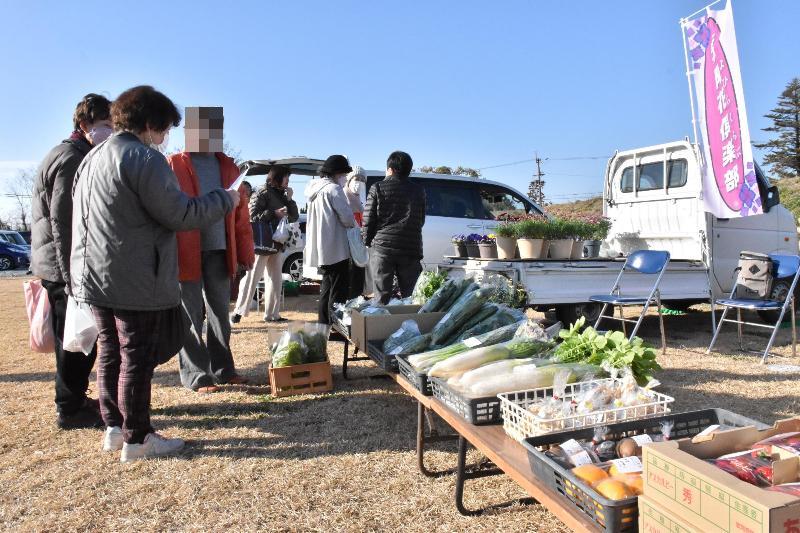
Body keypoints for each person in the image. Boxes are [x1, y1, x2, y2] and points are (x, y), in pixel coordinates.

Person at [70, 86, 239, 462]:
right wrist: (225, 200)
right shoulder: (145, 159)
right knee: (136, 357)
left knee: (111, 353)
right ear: (149, 124)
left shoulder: (94, 156)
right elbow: (180, 214)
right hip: (133, 276)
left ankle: (115, 428)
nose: (164, 138)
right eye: (163, 129)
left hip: (94, 274)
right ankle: (138, 437)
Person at [31, 93, 113, 430]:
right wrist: (71, 275)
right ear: (85, 124)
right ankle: (69, 408)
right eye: (106, 125)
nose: (110, 132)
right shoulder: (71, 158)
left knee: (79, 338)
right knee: (76, 341)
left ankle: (75, 398)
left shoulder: (73, 153)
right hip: (63, 265)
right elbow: (64, 221)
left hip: (60, 263)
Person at [167, 106, 254, 394]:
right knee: (189, 313)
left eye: (213, 130)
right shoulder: (173, 164)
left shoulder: (229, 167)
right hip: (184, 249)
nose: (207, 135)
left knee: (220, 312)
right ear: (189, 132)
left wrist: (245, 253)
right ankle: (196, 375)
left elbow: (241, 214)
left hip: (220, 247)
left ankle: (224, 369)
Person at [231, 166, 299, 323]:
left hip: (277, 242)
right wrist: (273, 213)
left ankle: (272, 315)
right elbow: (252, 216)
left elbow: (294, 216)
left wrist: (289, 199)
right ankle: (238, 312)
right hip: (262, 242)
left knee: (275, 280)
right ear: (277, 177)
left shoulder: (283, 195)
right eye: (286, 177)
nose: (288, 180)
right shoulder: (262, 191)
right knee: (252, 277)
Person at [363, 151, 426, 304]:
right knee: (411, 297)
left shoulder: (377, 187)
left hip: (383, 249)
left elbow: (368, 219)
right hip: (410, 248)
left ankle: (380, 326)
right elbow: (421, 220)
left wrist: (366, 240)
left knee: (381, 296)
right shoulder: (419, 191)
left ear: (390, 169)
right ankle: (409, 325)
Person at [304, 155, 356, 323]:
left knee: (326, 287)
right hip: (335, 246)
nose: (344, 177)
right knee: (338, 290)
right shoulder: (333, 189)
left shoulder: (313, 189)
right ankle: (335, 325)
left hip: (320, 247)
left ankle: (323, 322)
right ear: (338, 172)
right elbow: (348, 219)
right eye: (343, 173)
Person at [344, 166, 367, 298]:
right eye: (356, 178)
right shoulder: (344, 197)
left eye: (362, 179)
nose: (359, 182)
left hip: (359, 246)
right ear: (349, 180)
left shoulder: (360, 200)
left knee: (359, 278)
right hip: (348, 248)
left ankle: (357, 302)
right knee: (351, 279)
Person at [230, 180, 254, 303]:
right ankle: (237, 298)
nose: (246, 193)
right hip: (234, 244)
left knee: (243, 274)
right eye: (244, 191)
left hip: (244, 244)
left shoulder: (249, 204)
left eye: (248, 191)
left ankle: (241, 298)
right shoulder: (234, 203)